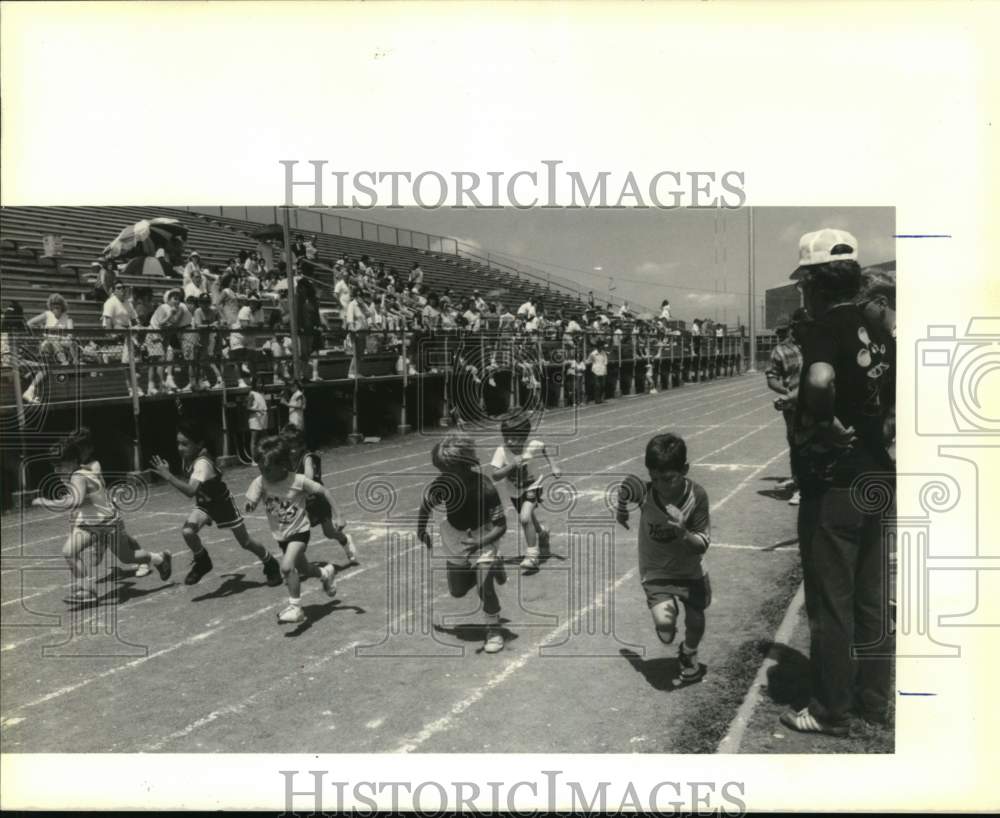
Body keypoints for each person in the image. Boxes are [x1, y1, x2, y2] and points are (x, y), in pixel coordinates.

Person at [781, 228, 893, 737]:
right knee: (872, 597)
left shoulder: (825, 326)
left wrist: (825, 422)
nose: (802, 290)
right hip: (878, 472)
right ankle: (874, 701)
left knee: (832, 600)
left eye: (804, 281)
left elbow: (820, 380)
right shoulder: (877, 327)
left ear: (815, 281)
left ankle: (831, 709)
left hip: (837, 481)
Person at [616, 432, 711, 687]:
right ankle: (669, 630)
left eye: (668, 479)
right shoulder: (646, 492)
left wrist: (683, 532)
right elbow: (625, 486)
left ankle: (689, 654)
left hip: (690, 569)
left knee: (696, 616)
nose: (660, 485)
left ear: (685, 470)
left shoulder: (697, 496)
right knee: (665, 627)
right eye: (654, 478)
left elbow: (702, 543)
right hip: (656, 569)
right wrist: (621, 509)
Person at [34, 429, 171, 604]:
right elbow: (78, 500)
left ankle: (160, 558)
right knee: (69, 551)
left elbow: (75, 502)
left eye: (61, 464)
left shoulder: (78, 476)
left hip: (108, 523)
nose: (57, 469)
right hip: (91, 523)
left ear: (74, 461)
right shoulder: (72, 474)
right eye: (54, 465)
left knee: (127, 557)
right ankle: (88, 590)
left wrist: (46, 502)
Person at [151, 419, 282, 587]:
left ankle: (271, 563)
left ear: (199, 444)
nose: (180, 448)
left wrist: (167, 475)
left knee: (246, 542)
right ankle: (202, 561)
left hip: (222, 505)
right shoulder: (190, 457)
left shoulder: (202, 463)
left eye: (185, 444)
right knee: (188, 532)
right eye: (178, 443)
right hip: (205, 505)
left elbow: (190, 491)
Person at [418, 435, 509, 653]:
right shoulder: (442, 485)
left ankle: (493, 629)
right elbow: (425, 506)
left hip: (483, 536)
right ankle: (494, 565)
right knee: (457, 591)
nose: (443, 475)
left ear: (464, 465)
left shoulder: (485, 487)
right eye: (440, 470)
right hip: (455, 536)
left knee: (483, 588)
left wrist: (479, 542)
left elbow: (501, 526)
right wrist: (420, 530)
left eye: (447, 470)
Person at [244, 435, 338, 624]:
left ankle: (296, 608)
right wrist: (250, 504)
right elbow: (251, 498)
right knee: (304, 569)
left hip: (299, 531)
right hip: (281, 535)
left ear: (283, 465)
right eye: (260, 468)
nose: (263, 472)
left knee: (287, 567)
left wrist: (338, 515)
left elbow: (324, 491)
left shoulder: (298, 480)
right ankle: (325, 573)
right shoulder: (261, 481)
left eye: (268, 469)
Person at [490, 416, 561, 571]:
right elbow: (495, 475)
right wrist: (511, 466)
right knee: (529, 519)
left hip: (533, 486)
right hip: (514, 491)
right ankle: (542, 533)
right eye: (506, 437)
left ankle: (532, 556)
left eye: (514, 438)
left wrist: (554, 466)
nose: (509, 442)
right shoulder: (502, 451)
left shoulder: (532, 445)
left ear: (524, 437)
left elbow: (544, 448)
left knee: (524, 517)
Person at [281, 423, 358, 564]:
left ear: (301, 445)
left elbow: (308, 478)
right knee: (297, 532)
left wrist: (339, 515)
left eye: (295, 445)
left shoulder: (307, 458)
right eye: (289, 446)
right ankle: (295, 562)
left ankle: (345, 540)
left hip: (317, 500)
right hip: (301, 503)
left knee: (329, 533)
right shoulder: (283, 460)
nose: (292, 450)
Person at [764, 309, 807, 505]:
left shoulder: (814, 343)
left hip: (818, 401)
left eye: (783, 330)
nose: (781, 334)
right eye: (778, 332)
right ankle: (799, 487)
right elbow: (771, 379)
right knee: (797, 445)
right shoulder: (779, 351)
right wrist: (786, 392)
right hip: (793, 406)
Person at [21, 293, 76, 405]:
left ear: (62, 306)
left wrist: (58, 338)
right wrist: (41, 330)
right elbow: (29, 323)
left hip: (61, 348)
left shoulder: (67, 319)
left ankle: (30, 390)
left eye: (58, 305)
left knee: (45, 367)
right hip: (48, 347)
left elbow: (70, 338)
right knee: (49, 346)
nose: (55, 307)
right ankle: (31, 389)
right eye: (53, 305)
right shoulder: (47, 315)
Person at [246, 376, 269, 458]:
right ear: (254, 384)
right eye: (258, 383)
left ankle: (265, 457)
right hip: (255, 419)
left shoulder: (262, 393)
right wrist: (257, 410)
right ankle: (253, 459)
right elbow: (248, 407)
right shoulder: (252, 393)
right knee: (254, 440)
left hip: (263, 418)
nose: (260, 384)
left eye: (261, 383)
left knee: (264, 439)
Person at [587, 338, 609, 404]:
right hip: (596, 370)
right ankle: (597, 399)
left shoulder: (604, 353)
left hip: (603, 370)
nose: (602, 347)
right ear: (598, 346)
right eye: (601, 346)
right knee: (597, 385)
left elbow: (606, 361)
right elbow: (589, 360)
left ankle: (602, 398)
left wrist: (604, 367)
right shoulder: (593, 354)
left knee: (603, 385)